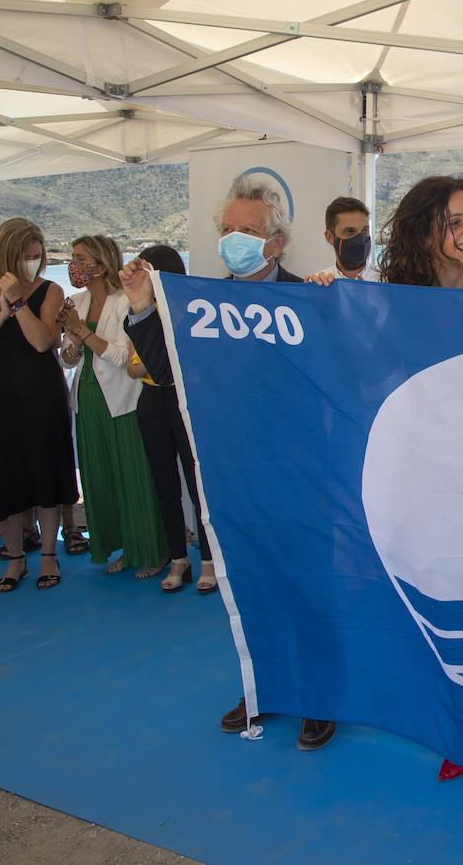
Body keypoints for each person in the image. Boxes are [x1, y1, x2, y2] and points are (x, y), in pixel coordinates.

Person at [311, 175, 463, 792]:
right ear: (425, 232)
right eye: (452, 222)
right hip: (429, 473)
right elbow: (356, 361)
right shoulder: (395, 300)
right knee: (445, 598)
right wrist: (331, 297)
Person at [121, 174, 332, 752]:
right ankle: (261, 686)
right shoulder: (203, 303)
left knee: (305, 586)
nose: (236, 239)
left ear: (277, 242)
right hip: (232, 474)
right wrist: (142, 310)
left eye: (250, 230)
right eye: (228, 229)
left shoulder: (309, 295)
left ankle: (319, 695)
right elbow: (168, 373)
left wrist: (332, 302)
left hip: (298, 474)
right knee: (250, 587)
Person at [0, 217, 77, 592]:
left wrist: (19, 303)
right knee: (2, 474)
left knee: (45, 471)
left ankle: (47, 556)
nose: (33, 262)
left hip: (41, 396)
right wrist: (2, 311)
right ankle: (14, 558)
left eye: (38, 256)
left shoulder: (50, 290)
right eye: (27, 256)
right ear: (8, 254)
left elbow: (42, 341)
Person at [58, 235, 163, 578]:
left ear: (101, 265)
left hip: (122, 399)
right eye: (73, 258)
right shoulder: (77, 301)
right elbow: (69, 359)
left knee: (132, 476)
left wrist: (83, 334)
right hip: (87, 397)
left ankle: (149, 550)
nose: (75, 265)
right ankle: (123, 547)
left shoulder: (124, 302)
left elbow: (122, 355)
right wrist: (72, 341)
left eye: (81, 258)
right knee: (101, 477)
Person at [124, 244, 214, 594]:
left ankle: (208, 559)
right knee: (165, 487)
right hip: (152, 401)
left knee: (197, 486)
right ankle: (179, 558)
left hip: (186, 401)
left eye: (146, 269)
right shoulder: (136, 312)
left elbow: (171, 362)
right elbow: (136, 367)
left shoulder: (190, 310)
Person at [320, 196, 378, 281]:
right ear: (330, 237)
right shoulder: (319, 284)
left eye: (365, 230)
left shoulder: (387, 282)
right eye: (350, 231)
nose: (360, 240)